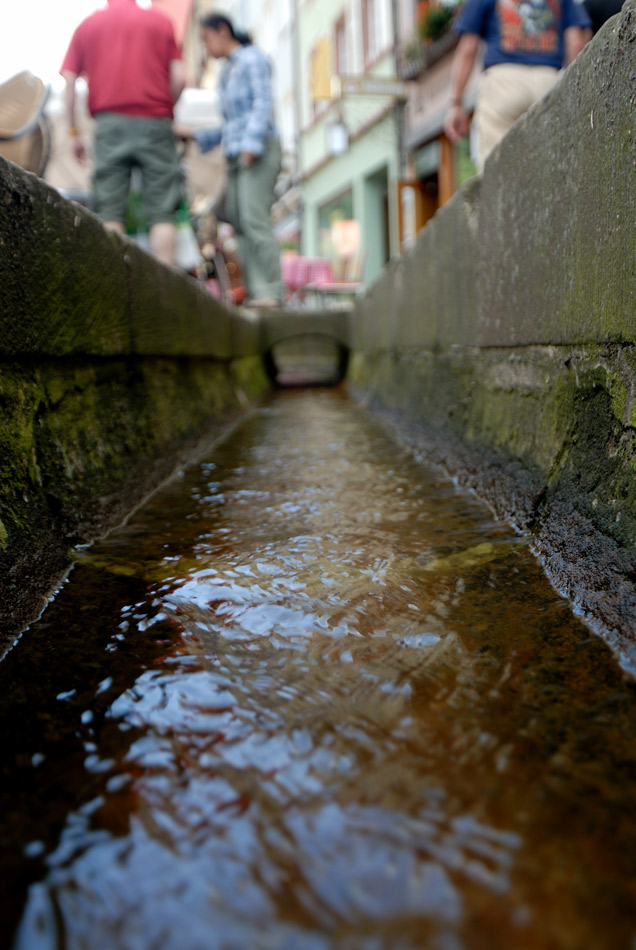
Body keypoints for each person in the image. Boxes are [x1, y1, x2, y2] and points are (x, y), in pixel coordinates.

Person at [61, 0, 186, 266]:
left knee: (109, 210)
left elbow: (69, 83)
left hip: (110, 124)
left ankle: (115, 289)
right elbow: (179, 78)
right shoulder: (160, 22)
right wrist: (163, 111)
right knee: (162, 211)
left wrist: (73, 132)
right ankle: (163, 297)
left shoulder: (88, 26)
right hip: (156, 121)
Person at [177, 13, 282, 308]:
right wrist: (195, 136)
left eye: (206, 39)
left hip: (257, 150)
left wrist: (251, 144)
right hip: (237, 154)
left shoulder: (252, 59)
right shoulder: (227, 72)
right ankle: (253, 291)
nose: (206, 47)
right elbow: (230, 124)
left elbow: (263, 103)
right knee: (239, 220)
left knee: (254, 218)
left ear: (222, 31)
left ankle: (271, 292)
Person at [444, 0, 591, 171]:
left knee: (496, 166)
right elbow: (576, 43)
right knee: (550, 165)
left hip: (504, 84)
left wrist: (456, 103)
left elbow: (468, 49)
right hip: (549, 82)